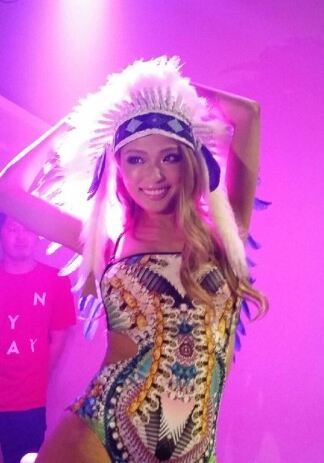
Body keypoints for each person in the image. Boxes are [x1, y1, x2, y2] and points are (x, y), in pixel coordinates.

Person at [0, 57, 267, 462]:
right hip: (100, 434)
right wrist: (76, 121)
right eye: (135, 159)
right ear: (118, 168)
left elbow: (248, 114)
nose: (153, 175)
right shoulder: (108, 243)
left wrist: (165, 90)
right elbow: (8, 192)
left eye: (169, 157)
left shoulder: (225, 235)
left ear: (189, 160)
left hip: (193, 450)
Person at [0, 213, 76, 463]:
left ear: (37, 235)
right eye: (13, 229)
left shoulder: (57, 280)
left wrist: (37, 378)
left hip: (28, 400)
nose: (21, 237)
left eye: (28, 229)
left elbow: (58, 339)